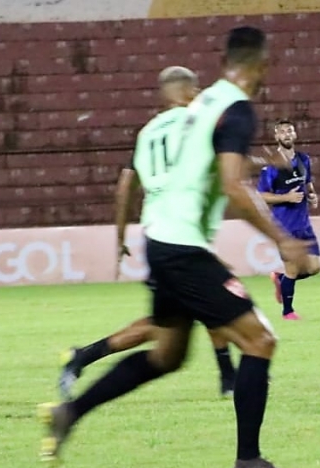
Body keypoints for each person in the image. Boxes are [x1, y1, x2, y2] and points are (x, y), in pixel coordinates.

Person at [38, 26, 310, 468]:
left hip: (161, 240)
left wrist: (261, 166)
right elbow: (231, 187)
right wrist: (279, 238)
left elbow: (213, 166)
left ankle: (70, 411)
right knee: (260, 340)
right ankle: (249, 462)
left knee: (166, 354)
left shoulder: (202, 106)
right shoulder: (237, 109)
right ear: (261, 65)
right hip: (183, 247)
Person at [57, 66, 237, 403]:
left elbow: (125, 186)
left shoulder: (148, 132)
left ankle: (82, 356)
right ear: (186, 91)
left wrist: (121, 236)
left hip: (155, 233)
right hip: (182, 233)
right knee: (217, 298)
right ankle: (229, 377)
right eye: (195, 89)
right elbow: (229, 163)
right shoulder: (197, 123)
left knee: (167, 324)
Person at [257, 119, 320, 320]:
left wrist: (312, 196)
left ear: (295, 135)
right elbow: (262, 195)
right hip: (283, 225)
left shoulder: (304, 159)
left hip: (303, 224)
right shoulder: (271, 166)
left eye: (289, 131)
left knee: (314, 267)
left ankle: (279, 279)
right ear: (276, 137)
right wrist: (287, 197)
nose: (286, 134)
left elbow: (308, 183)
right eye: (282, 131)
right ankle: (288, 311)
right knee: (292, 268)